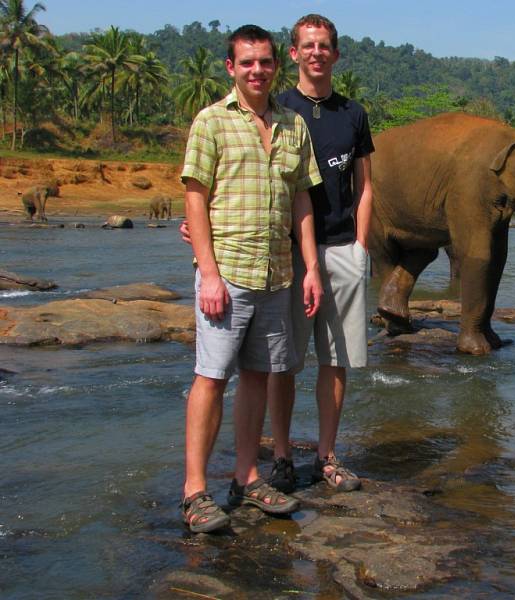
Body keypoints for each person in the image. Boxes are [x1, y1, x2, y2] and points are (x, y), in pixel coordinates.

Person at [180, 24, 323, 534]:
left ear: (275, 65)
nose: (257, 70)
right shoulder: (212, 122)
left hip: (278, 274)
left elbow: (302, 200)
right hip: (229, 273)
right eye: (247, 63)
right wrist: (210, 274)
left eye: (265, 62)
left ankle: (246, 476)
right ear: (231, 67)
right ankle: (195, 491)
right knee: (212, 378)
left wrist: (309, 269)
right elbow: (195, 198)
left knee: (259, 376)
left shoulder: (292, 124)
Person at [267, 13, 374, 494]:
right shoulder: (276, 108)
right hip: (287, 255)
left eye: (324, 46)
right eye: (307, 46)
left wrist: (361, 246)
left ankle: (327, 457)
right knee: (283, 362)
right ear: (294, 53)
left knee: (337, 360)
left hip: (341, 248)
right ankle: (284, 457)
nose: (316, 53)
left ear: (335, 54)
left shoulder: (352, 114)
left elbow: (365, 186)